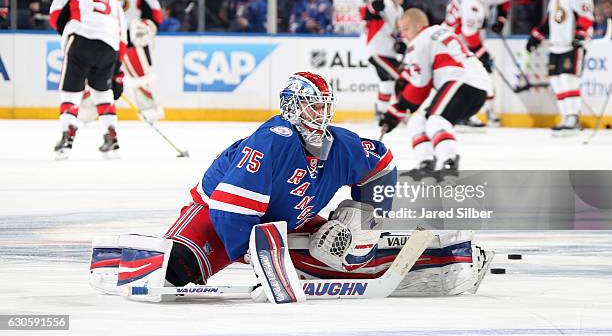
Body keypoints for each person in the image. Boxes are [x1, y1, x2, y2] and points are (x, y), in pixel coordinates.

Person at [90, 72, 493, 301]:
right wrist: (252, 256)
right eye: (314, 105)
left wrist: (362, 215)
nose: (322, 113)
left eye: (325, 105)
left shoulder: (342, 145)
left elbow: (384, 166)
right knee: (179, 267)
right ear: (292, 107)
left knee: (343, 253)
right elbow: (231, 206)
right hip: (219, 215)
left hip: (284, 221)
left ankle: (443, 260)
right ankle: (119, 263)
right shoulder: (275, 140)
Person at [379, 9, 492, 177]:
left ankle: (449, 162)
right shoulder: (438, 32)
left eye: (406, 29)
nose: (403, 35)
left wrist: (397, 109)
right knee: (418, 121)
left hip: (463, 82)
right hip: (474, 84)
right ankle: (425, 164)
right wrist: (400, 109)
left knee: (436, 121)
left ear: (419, 26)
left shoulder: (420, 40)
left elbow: (420, 86)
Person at [49, 0, 127, 160]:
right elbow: (123, 40)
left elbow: (55, 15)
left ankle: (67, 135)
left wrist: (67, 31)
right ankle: (111, 136)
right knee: (103, 93)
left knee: (71, 92)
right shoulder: (114, 2)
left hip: (81, 41)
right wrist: (117, 71)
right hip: (109, 47)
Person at [526, 0, 594, 135]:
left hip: (571, 44)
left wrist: (580, 35)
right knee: (556, 81)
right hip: (556, 44)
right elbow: (551, 17)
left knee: (568, 79)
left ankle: (573, 117)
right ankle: (565, 116)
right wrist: (537, 35)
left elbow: (586, 16)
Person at [444, 0, 509, 125]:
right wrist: (483, 55)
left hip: (449, 42)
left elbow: (504, 0)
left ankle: (467, 114)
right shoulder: (472, 5)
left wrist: (500, 19)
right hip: (460, 46)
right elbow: (469, 35)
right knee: (475, 79)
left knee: (464, 80)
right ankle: (469, 115)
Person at [105, 0, 164, 120]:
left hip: (132, 33)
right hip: (109, 32)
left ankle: (150, 109)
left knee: (141, 73)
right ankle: (88, 111)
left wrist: (152, 27)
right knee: (98, 71)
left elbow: (155, 10)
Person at [361, 0, 405, 118]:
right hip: (377, 51)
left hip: (389, 52)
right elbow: (366, 14)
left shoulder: (400, 9)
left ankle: (381, 110)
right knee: (400, 78)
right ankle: (399, 109)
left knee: (387, 82)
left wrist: (400, 43)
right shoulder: (385, 4)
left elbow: (398, 31)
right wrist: (373, 7)